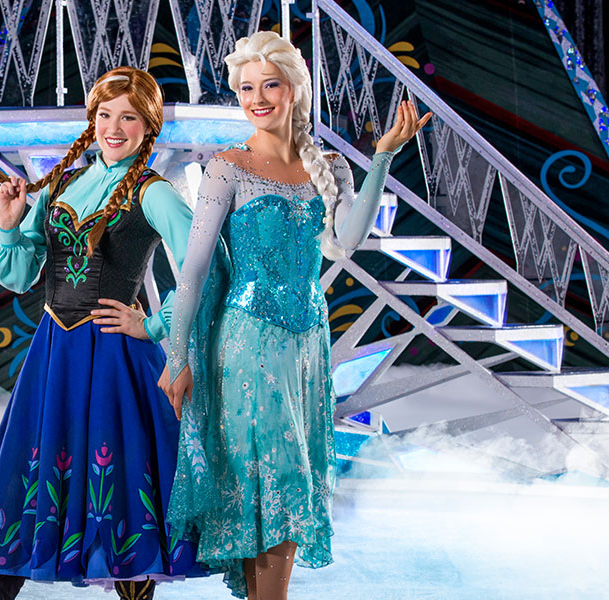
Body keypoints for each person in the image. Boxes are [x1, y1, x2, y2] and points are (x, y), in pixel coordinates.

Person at [159, 31, 430, 600]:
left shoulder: (328, 168)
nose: (256, 98)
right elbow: (195, 271)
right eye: (245, 88)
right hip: (245, 342)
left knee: (290, 478)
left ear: (295, 90)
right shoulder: (225, 169)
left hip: (308, 342)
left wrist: (380, 158)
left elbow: (344, 244)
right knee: (267, 477)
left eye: (270, 85)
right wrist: (178, 356)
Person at [0, 66, 203, 600]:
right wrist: (8, 224)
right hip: (54, 350)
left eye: (129, 117)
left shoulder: (153, 192)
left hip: (116, 354)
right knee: (36, 459)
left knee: (118, 478)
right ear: (91, 120)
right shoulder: (64, 183)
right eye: (104, 115)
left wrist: (155, 324)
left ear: (149, 126)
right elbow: (21, 276)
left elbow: (206, 269)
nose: (113, 128)